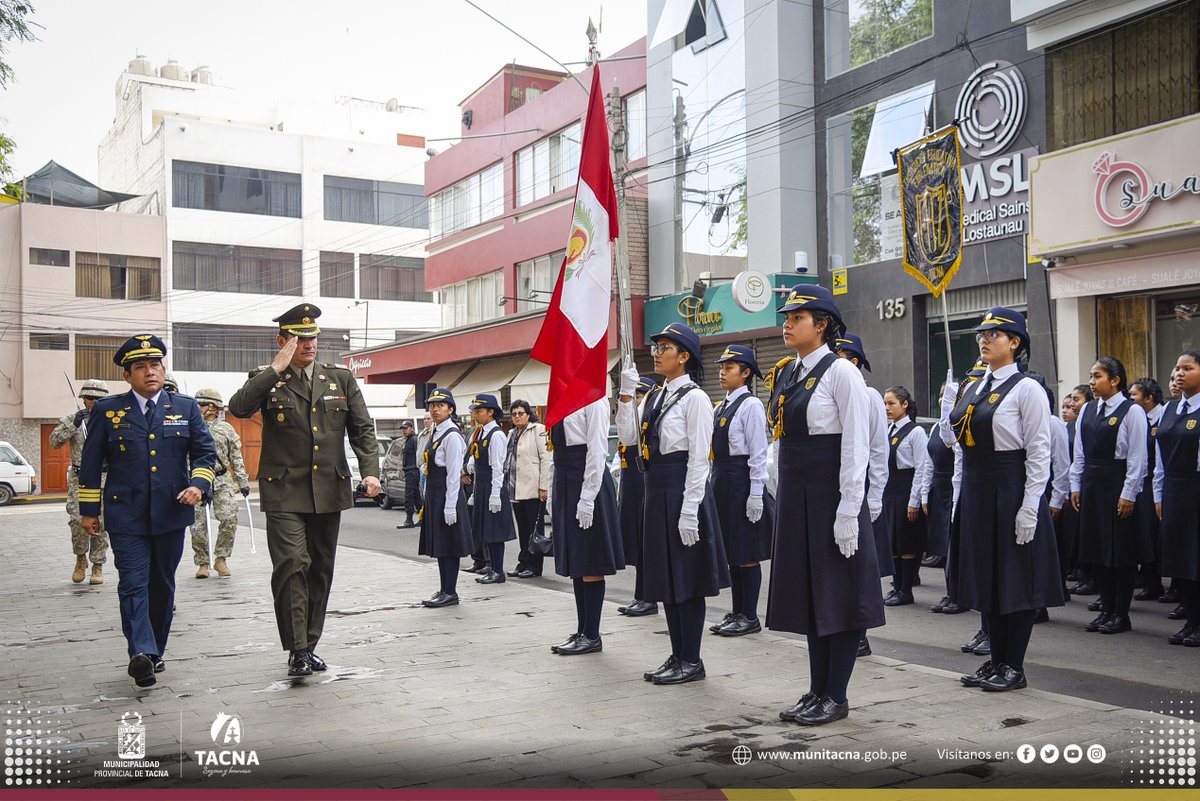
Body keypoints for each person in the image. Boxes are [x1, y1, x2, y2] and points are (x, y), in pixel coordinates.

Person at [227, 303, 380, 677]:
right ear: (282, 341)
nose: (309, 344)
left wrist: (370, 472)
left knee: (319, 571)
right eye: (299, 338)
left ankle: (309, 644)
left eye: (313, 337)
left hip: (329, 488)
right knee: (292, 565)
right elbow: (238, 407)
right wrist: (275, 368)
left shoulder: (340, 379)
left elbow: (362, 429)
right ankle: (296, 648)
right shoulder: (266, 378)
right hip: (284, 491)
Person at [765, 286, 883, 726]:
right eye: (787, 316)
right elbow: (780, 439)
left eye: (798, 316)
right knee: (813, 597)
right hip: (799, 498)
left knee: (840, 594)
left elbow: (855, 445)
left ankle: (837, 694)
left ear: (823, 324)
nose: (788, 322)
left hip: (831, 496)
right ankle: (816, 689)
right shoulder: (789, 372)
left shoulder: (841, 373)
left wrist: (850, 509)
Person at [78, 335, 216, 687]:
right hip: (125, 515)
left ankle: (155, 651)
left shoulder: (184, 408)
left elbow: (204, 454)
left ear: (163, 369)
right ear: (128, 376)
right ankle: (140, 651)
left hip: (172, 513)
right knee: (133, 583)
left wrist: (198, 486)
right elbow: (91, 464)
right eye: (140, 367)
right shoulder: (107, 411)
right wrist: (89, 510)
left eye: (155, 365)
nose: (149, 372)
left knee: (162, 585)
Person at [949, 308, 1063, 692]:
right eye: (981, 334)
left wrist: (1031, 504)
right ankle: (995, 660)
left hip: (1010, 489)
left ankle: (1013, 665)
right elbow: (959, 446)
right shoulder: (975, 385)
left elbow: (1039, 450)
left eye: (993, 335)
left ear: (1015, 343)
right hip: (979, 491)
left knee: (1015, 581)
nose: (984, 340)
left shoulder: (1026, 388)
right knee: (989, 579)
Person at [618, 324, 727, 682]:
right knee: (666, 578)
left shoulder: (694, 398)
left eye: (664, 347)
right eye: (656, 346)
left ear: (684, 357)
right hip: (655, 489)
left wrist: (690, 509)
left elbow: (699, 458)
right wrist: (625, 394)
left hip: (682, 491)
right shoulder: (656, 395)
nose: (656, 352)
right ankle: (677, 653)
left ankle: (692, 659)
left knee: (687, 579)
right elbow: (629, 436)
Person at [1070, 357, 1148, 635]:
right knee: (1096, 551)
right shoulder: (1088, 410)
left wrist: (1129, 494)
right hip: (1092, 485)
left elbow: (1138, 457)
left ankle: (1120, 613)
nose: (1092, 382)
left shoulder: (1132, 411)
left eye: (1097, 376)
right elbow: (1078, 453)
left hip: (1116, 485)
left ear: (1115, 380)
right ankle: (1105, 609)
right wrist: (1075, 486)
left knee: (1120, 552)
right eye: (1091, 376)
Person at [548, 391, 624, 657]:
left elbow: (597, 448)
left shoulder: (593, 398)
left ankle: (592, 633)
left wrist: (588, 496)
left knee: (590, 560)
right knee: (577, 562)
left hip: (585, 481)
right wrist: (551, 489)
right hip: (565, 481)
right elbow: (553, 450)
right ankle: (582, 630)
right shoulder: (561, 397)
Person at [708, 345, 773, 637]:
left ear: (746, 373)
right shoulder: (720, 406)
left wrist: (756, 493)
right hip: (722, 479)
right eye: (721, 368)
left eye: (729, 368)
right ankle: (736, 610)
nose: (722, 373)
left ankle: (749, 615)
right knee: (731, 551)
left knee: (746, 551)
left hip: (742, 480)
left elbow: (758, 453)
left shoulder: (751, 405)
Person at [833, 333, 889, 656]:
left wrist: (875, 495)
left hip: (860, 489)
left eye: (840, 353)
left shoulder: (868, 395)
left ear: (854, 361)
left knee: (858, 568)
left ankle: (860, 634)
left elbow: (878, 451)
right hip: (837, 486)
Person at [1154, 350, 1200, 646]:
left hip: (1196, 489)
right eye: (1177, 368)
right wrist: (1159, 494)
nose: (1180, 373)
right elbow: (1159, 456)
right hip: (1173, 490)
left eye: (1188, 368)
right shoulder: (1170, 409)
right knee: (1180, 560)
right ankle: (1191, 620)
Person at [51, 379, 111, 585]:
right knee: (77, 522)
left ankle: (98, 565)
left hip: (105, 478)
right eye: (89, 398)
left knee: (101, 523)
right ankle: (80, 559)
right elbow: (54, 441)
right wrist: (75, 423)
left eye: (97, 399)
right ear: (83, 399)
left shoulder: (112, 419)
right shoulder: (73, 419)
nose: (92, 402)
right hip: (79, 480)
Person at [417, 388, 473, 608]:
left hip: (446, 496)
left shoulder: (452, 436)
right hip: (435, 494)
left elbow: (453, 475)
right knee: (441, 545)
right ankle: (444, 588)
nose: (435, 409)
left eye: (440, 405)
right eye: (432, 405)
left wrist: (450, 506)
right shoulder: (436, 432)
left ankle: (450, 591)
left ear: (450, 409)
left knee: (450, 544)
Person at [190, 388, 250, 579]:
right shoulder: (190, 427)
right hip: (198, 479)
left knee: (229, 518)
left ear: (213, 407)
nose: (198, 407)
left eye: (201, 404)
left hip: (222, 479)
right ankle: (202, 563)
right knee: (197, 524)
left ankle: (221, 558)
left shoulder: (226, 429)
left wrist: (243, 481)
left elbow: (236, 457)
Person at [880, 386, 928, 607]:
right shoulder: (889, 430)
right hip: (890, 492)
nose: (887, 408)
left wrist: (914, 501)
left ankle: (906, 590)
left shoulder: (915, 432)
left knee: (906, 544)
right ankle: (896, 585)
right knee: (893, 544)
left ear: (904, 404)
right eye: (885, 404)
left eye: (891, 403)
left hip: (905, 490)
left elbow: (922, 467)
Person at [615, 377, 659, 616]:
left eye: (639, 396)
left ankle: (649, 598)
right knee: (636, 544)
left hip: (644, 486)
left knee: (647, 544)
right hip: (630, 486)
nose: (636, 402)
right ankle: (640, 595)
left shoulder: (647, 421)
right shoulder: (629, 424)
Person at [465, 394, 516, 584]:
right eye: (474, 411)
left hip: (493, 486)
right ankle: (490, 566)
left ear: (491, 412)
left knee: (494, 532)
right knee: (485, 530)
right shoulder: (480, 431)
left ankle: (498, 570)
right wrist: (472, 463)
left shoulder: (496, 434)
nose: (475, 414)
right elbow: (475, 453)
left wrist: (495, 495)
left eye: (479, 411)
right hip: (482, 485)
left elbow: (497, 466)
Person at [920, 381, 960, 614]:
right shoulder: (937, 428)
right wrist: (925, 493)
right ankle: (950, 591)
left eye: (949, 396)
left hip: (954, 488)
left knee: (955, 544)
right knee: (943, 545)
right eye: (941, 395)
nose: (943, 400)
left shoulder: (959, 425)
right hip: (939, 488)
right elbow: (928, 463)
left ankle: (959, 594)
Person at [505, 400, 551, 579]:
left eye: (520, 413)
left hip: (533, 487)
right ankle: (523, 561)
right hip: (515, 488)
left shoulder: (538, 430)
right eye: (514, 413)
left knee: (534, 529)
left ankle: (534, 566)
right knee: (523, 528)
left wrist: (543, 486)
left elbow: (545, 458)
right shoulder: (511, 433)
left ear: (528, 414)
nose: (517, 416)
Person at [1130, 378, 1166, 601]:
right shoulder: (1138, 418)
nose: (1130, 398)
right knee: (1145, 533)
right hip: (1142, 483)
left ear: (1148, 398)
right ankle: (1149, 580)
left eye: (1134, 394)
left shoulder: (1163, 417)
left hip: (1159, 482)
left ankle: (1166, 584)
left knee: (1157, 535)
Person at [396, 421, 421, 529]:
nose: (404, 430)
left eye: (406, 428)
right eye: (403, 429)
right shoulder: (408, 440)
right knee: (416, 496)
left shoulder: (414, 440)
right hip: (409, 471)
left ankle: (409, 519)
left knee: (409, 496)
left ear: (411, 428)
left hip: (413, 471)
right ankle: (421, 518)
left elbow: (418, 455)